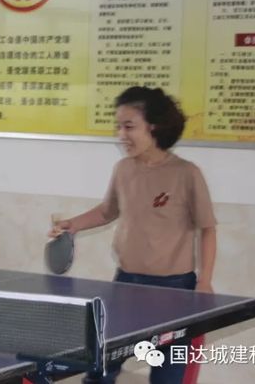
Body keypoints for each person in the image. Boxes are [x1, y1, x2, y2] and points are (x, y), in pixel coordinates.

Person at [49, 86, 217, 384]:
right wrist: (71, 225)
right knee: (100, 370)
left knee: (167, 376)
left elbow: (207, 229)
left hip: (174, 290)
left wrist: (204, 282)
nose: (121, 135)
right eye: (118, 127)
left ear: (154, 126)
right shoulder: (123, 169)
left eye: (129, 126)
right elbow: (107, 211)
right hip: (125, 284)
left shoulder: (186, 173)